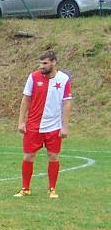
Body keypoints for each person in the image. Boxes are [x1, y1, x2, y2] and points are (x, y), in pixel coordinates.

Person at [14, 49, 73, 199]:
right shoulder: (33, 77)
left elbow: (67, 103)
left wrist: (65, 126)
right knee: (28, 157)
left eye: (45, 63)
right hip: (33, 126)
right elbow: (25, 99)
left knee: (53, 157)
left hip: (54, 127)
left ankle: (52, 189)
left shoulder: (64, 79)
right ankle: (25, 188)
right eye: (40, 63)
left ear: (54, 62)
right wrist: (21, 121)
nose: (42, 66)